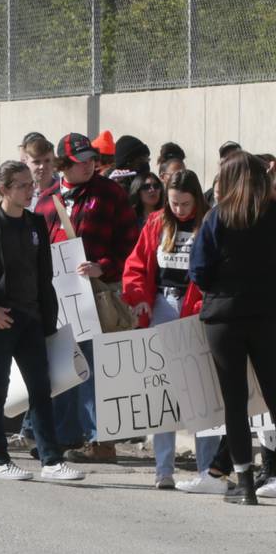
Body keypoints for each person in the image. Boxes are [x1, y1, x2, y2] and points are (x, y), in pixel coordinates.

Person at [0, 162, 85, 482]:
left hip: (32, 320)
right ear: (4, 189)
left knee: (41, 389)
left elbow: (44, 275)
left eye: (31, 185)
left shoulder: (36, 223)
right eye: (23, 186)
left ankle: (51, 461)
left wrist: (48, 319)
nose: (31, 191)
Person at [34, 133, 141, 459]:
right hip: (54, 296)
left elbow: (130, 245)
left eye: (93, 159)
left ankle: (102, 441)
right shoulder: (45, 200)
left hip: (96, 295)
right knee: (61, 365)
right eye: (82, 160)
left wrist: (103, 266)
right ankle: (64, 436)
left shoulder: (110, 194)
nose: (90, 164)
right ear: (64, 164)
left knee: (95, 365)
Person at [187, 151, 276, 506]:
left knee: (234, 402)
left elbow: (199, 270)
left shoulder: (217, 217)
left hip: (224, 316)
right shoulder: (273, 215)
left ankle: (244, 482)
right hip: (268, 314)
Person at [121, 168, 219, 490]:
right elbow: (136, 267)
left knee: (202, 389)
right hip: (163, 304)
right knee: (161, 387)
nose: (179, 210)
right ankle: (164, 468)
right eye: (174, 203)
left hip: (197, 309)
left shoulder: (210, 224)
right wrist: (138, 299)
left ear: (197, 199)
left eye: (185, 203)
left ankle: (208, 469)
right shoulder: (155, 223)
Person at [21, 132, 58, 209]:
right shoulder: (19, 194)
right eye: (36, 162)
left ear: (54, 161)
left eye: (47, 161)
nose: (42, 166)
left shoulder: (64, 192)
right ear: (25, 162)